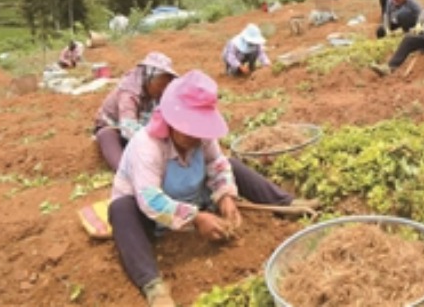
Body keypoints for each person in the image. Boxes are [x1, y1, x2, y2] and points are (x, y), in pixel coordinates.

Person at [108, 70, 318, 307]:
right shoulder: (146, 145)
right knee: (121, 210)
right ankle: (152, 285)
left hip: (194, 194)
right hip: (147, 210)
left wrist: (225, 196)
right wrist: (196, 218)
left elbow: (218, 165)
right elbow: (150, 199)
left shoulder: (202, 136)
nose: (195, 135)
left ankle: (285, 202)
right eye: (187, 127)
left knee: (232, 165)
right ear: (170, 119)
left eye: (199, 128)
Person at [94, 52, 178, 171]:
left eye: (166, 84)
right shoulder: (128, 93)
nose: (163, 88)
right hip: (117, 129)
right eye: (161, 84)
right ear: (149, 78)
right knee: (106, 135)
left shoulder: (159, 93)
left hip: (142, 129)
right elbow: (128, 128)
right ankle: (125, 171)